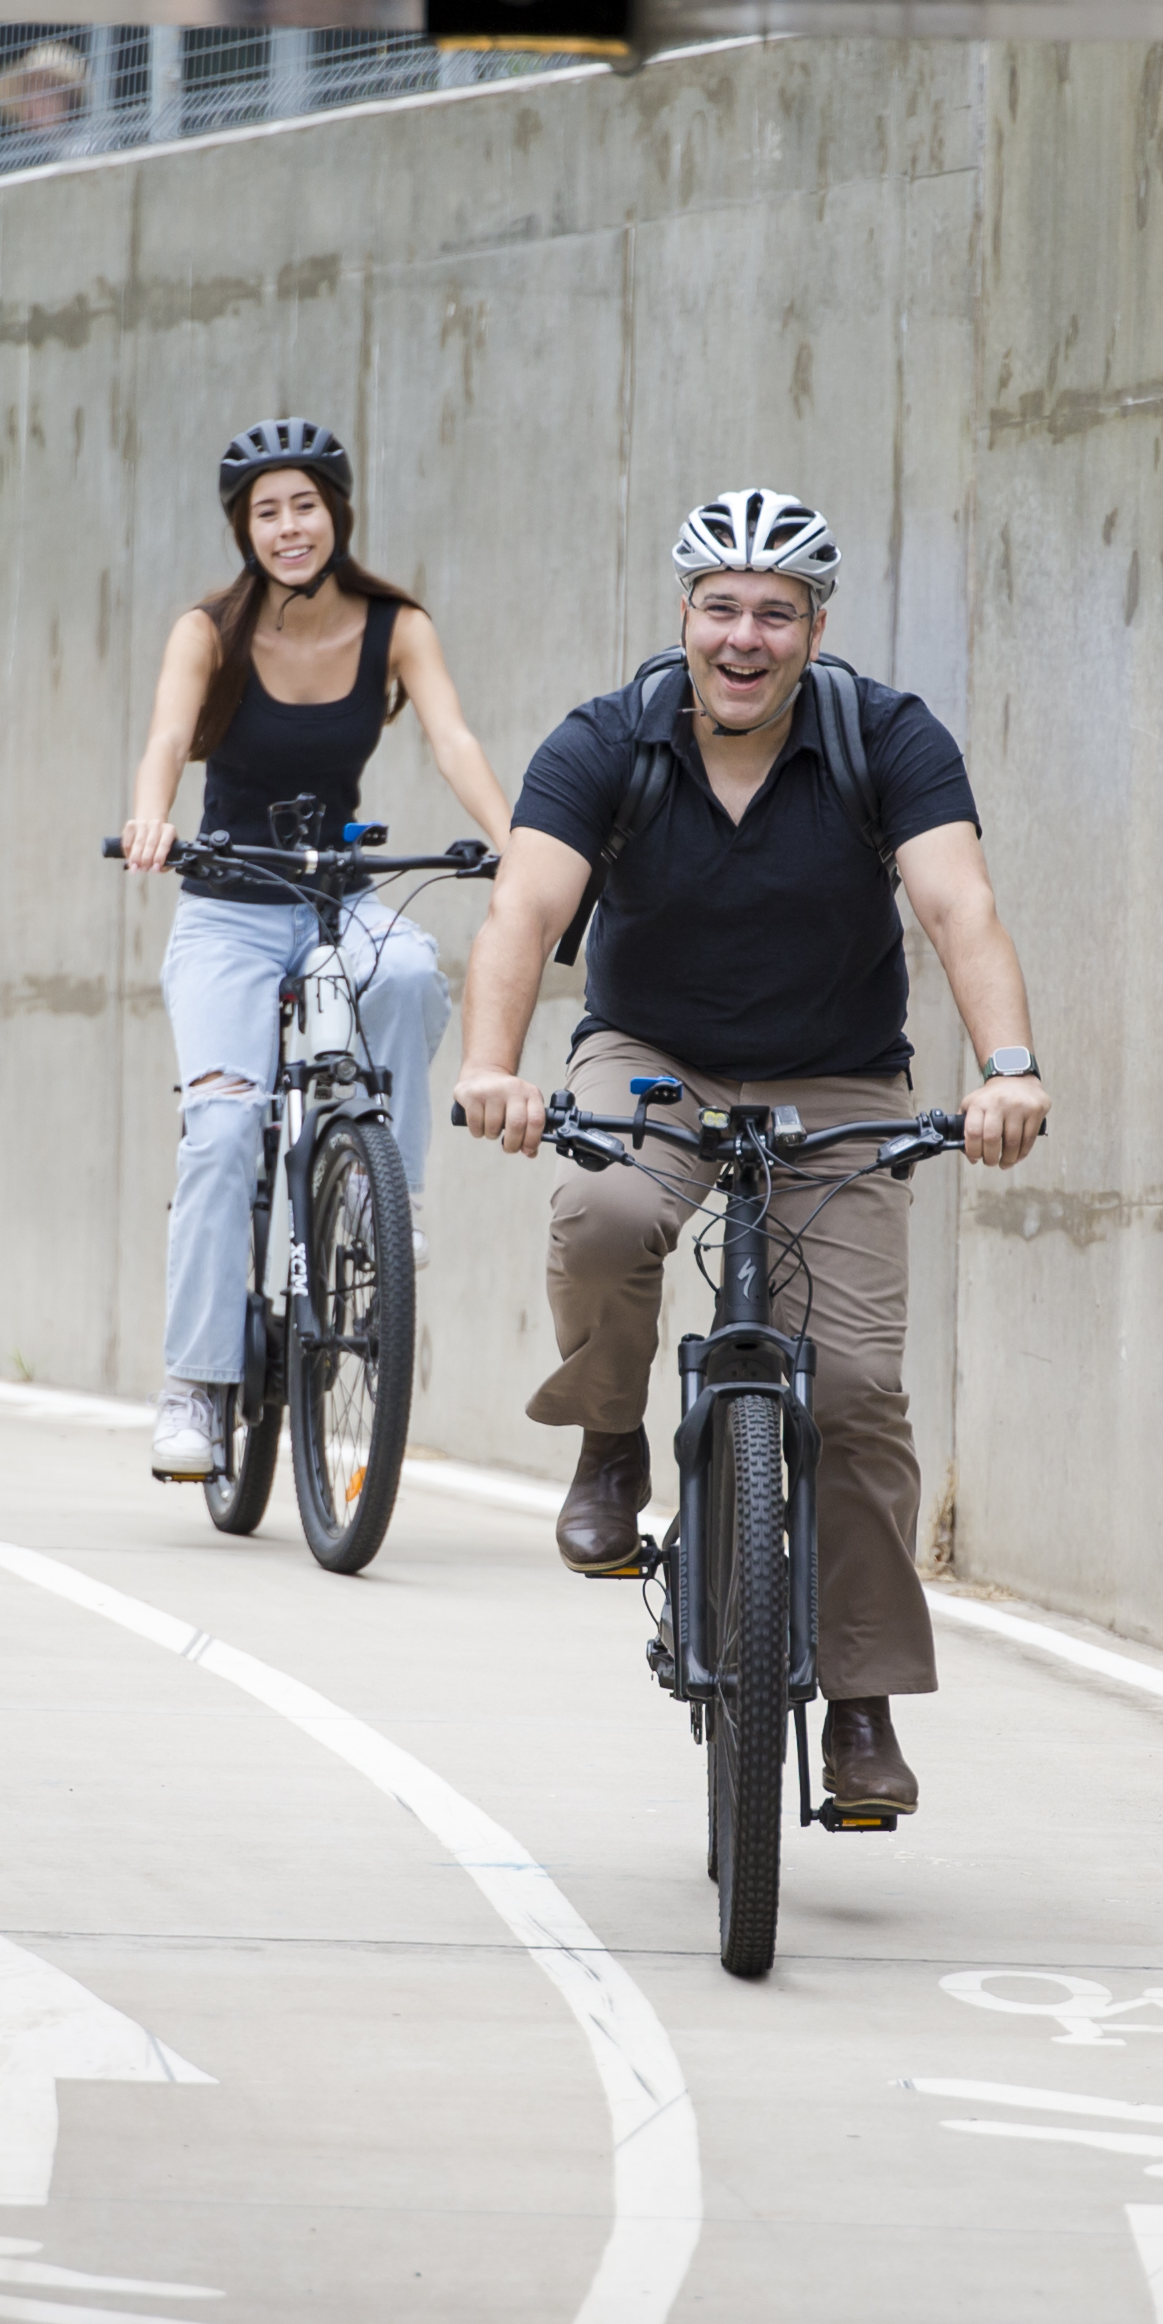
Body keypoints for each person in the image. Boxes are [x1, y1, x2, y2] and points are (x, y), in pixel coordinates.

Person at [449, 487, 1050, 1816]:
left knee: (850, 1396)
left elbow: (959, 908)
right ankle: (612, 1438)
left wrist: (1007, 1070)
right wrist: (494, 1066)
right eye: (721, 606)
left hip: (838, 1079)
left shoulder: (885, 737)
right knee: (605, 1212)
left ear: (814, 629)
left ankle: (863, 1706)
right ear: (685, 615)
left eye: (775, 612)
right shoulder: (606, 741)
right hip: (654, 1056)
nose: (744, 635)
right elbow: (523, 909)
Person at [114, 417, 517, 1482]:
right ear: (243, 529)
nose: (289, 528)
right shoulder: (208, 630)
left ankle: (394, 1197)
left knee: (413, 968)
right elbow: (165, 737)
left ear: (337, 512)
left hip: (336, 897)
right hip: (228, 908)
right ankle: (194, 1390)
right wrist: (152, 816)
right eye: (266, 512)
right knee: (221, 1129)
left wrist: (519, 845)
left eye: (305, 505)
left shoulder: (397, 625)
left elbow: (453, 738)